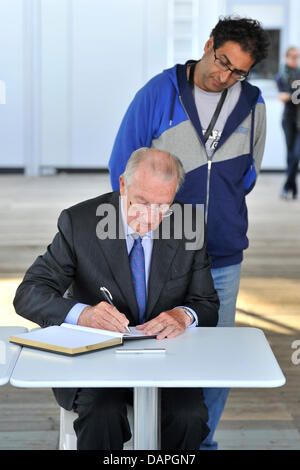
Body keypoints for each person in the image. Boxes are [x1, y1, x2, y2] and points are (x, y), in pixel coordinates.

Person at [108, 16, 269, 450]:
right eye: (222, 62)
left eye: (238, 71)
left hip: (223, 253)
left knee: (217, 357)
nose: (225, 76)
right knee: (156, 346)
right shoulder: (159, 92)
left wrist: (223, 211)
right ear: (209, 43)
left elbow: (249, 173)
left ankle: (200, 445)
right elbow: (121, 169)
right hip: (163, 252)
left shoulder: (253, 104)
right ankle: (149, 444)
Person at [13, 148, 219, 450]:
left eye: (162, 206)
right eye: (142, 203)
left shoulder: (187, 223)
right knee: (102, 412)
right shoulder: (80, 222)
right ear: (123, 184)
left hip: (167, 362)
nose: (150, 218)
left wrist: (184, 315)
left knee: (188, 416)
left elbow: (207, 303)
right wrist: (83, 314)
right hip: (95, 362)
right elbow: (29, 293)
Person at [276, 46, 300, 200]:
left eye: (297, 56)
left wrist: (289, 96)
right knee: (290, 154)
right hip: (288, 120)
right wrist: (290, 96)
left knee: (296, 154)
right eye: (292, 56)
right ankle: (293, 187)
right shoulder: (281, 76)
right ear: (286, 57)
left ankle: (287, 186)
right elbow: (283, 96)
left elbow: (289, 97)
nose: (294, 59)